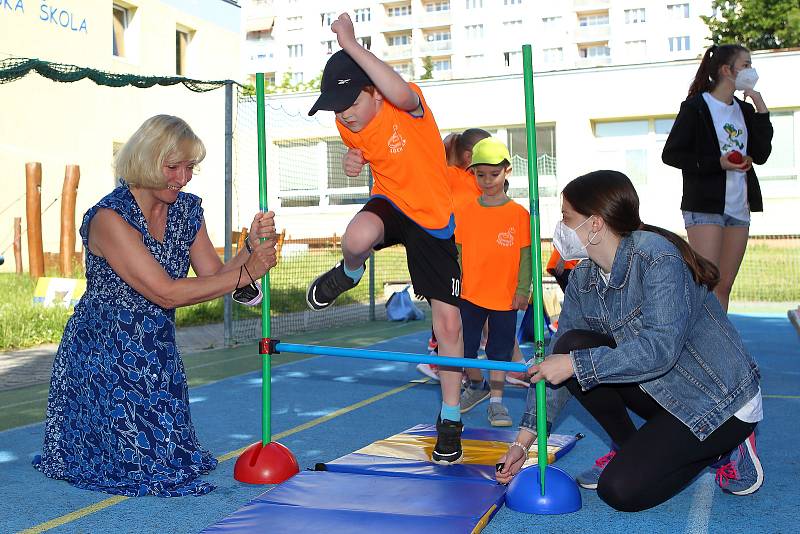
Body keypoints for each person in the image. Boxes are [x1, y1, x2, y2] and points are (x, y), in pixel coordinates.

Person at [33, 115, 278, 496]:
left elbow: (213, 276)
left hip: (155, 349)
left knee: (171, 459)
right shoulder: (109, 218)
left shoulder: (186, 210)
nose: (183, 178)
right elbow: (165, 293)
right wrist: (247, 272)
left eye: (189, 168)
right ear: (146, 161)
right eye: (173, 167)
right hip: (105, 353)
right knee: (135, 467)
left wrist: (250, 249)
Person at [495, 170, 763, 511]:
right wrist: (523, 443)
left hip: (718, 401)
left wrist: (573, 365)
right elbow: (557, 364)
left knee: (619, 492)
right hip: (664, 391)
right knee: (570, 346)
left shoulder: (658, 258)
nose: (560, 229)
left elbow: (659, 350)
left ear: (594, 224)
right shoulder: (583, 278)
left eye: (566, 218)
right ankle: (632, 445)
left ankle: (726, 445)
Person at [305, 13, 464, 464]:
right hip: (392, 203)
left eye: (351, 102)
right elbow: (365, 152)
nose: (345, 114)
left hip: (432, 217)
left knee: (448, 326)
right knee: (356, 236)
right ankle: (349, 273)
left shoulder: (407, 107)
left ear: (373, 91)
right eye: (337, 108)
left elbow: (394, 89)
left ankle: (450, 416)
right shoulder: (346, 120)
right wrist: (352, 161)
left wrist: (351, 44)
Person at [662, 44, 773, 311]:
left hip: (739, 207)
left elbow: (761, 153)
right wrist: (718, 163)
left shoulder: (745, 111)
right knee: (707, 284)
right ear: (727, 70)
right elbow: (672, 154)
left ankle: (717, 347)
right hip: (705, 206)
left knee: (724, 286)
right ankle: (695, 346)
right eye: (745, 65)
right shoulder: (696, 107)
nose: (751, 70)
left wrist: (759, 105)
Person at [454, 138, 531, 427]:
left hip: (504, 296)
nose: (486, 181)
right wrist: (453, 286)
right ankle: (476, 385)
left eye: (493, 174)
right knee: (464, 347)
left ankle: (497, 403)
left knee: (499, 351)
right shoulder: (465, 212)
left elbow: (526, 257)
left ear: (507, 171)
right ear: (472, 173)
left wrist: (524, 289)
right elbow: (458, 254)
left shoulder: (519, 215)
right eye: (480, 174)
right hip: (470, 294)